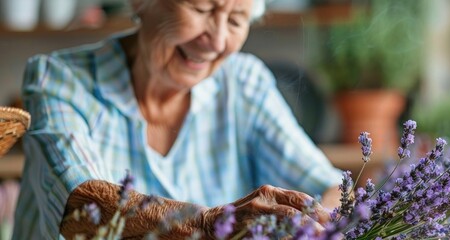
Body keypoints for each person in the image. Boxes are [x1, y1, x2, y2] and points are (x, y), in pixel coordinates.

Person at [13, 0, 343, 238]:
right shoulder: (58, 78)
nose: (216, 41)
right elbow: (79, 206)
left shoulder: (244, 83)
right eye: (201, 9)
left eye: (236, 20)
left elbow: (332, 189)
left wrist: (322, 227)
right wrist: (207, 224)